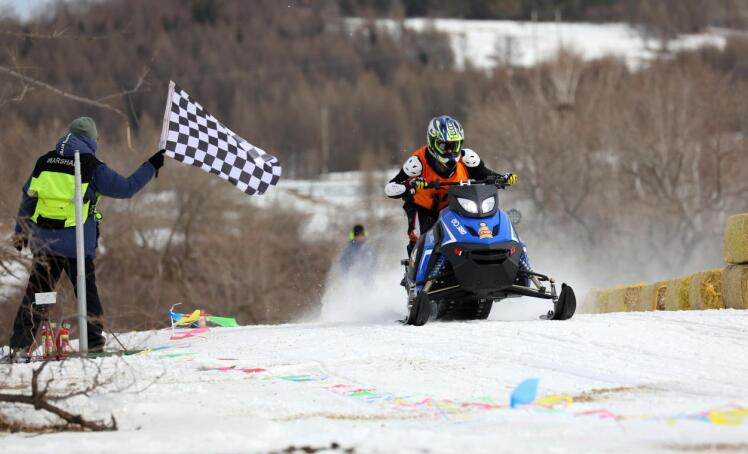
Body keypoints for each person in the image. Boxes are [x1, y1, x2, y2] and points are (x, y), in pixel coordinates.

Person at [8, 117, 165, 359]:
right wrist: (151, 165)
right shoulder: (92, 167)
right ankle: (93, 344)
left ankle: (20, 346)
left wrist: (21, 232)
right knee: (85, 294)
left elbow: (29, 197)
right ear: (91, 140)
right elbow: (126, 188)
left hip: (45, 244)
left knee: (40, 295)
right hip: (76, 247)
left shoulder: (45, 161)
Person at [384, 115, 517, 254]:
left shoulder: (467, 159)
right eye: (444, 146)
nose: (450, 151)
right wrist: (410, 184)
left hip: (455, 207)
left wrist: (501, 179)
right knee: (419, 236)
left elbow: (484, 174)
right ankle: (417, 269)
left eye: (454, 146)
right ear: (432, 143)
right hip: (424, 209)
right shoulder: (417, 163)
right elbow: (390, 188)